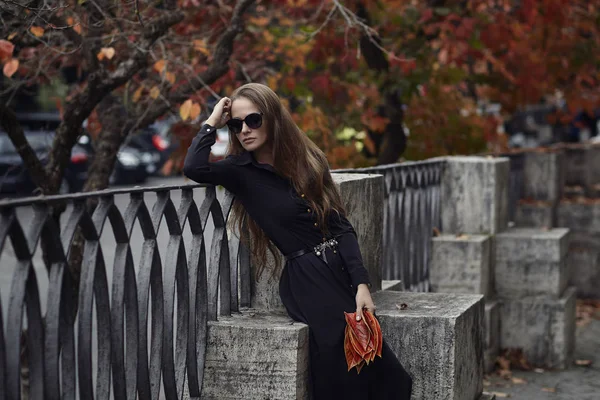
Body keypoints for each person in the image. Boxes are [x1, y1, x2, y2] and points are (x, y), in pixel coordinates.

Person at [183, 83, 413, 399]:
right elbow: (193, 167)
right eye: (236, 125)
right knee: (339, 356)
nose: (244, 131)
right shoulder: (239, 171)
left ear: (274, 118)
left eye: (253, 120)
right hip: (306, 277)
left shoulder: (307, 160)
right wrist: (212, 122)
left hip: (339, 272)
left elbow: (341, 227)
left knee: (374, 356)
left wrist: (361, 284)